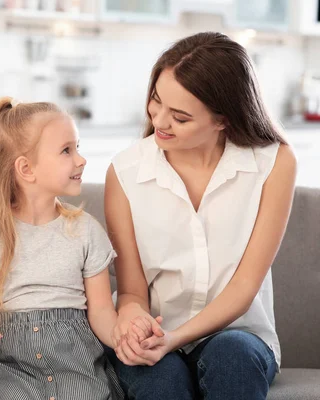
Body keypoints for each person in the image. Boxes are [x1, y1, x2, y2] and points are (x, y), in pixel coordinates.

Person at [104, 31, 297, 400]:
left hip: (239, 336)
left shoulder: (274, 163)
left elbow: (243, 288)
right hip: (155, 337)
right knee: (160, 378)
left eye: (179, 117)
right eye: (156, 102)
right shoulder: (126, 171)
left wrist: (177, 337)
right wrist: (135, 325)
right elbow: (131, 290)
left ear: (223, 120)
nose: (159, 121)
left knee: (233, 356)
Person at [0, 97, 123, 399]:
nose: (81, 160)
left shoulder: (86, 230)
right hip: (7, 364)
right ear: (26, 168)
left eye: (77, 147)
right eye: (67, 150)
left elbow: (102, 310)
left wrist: (124, 338)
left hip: (76, 362)